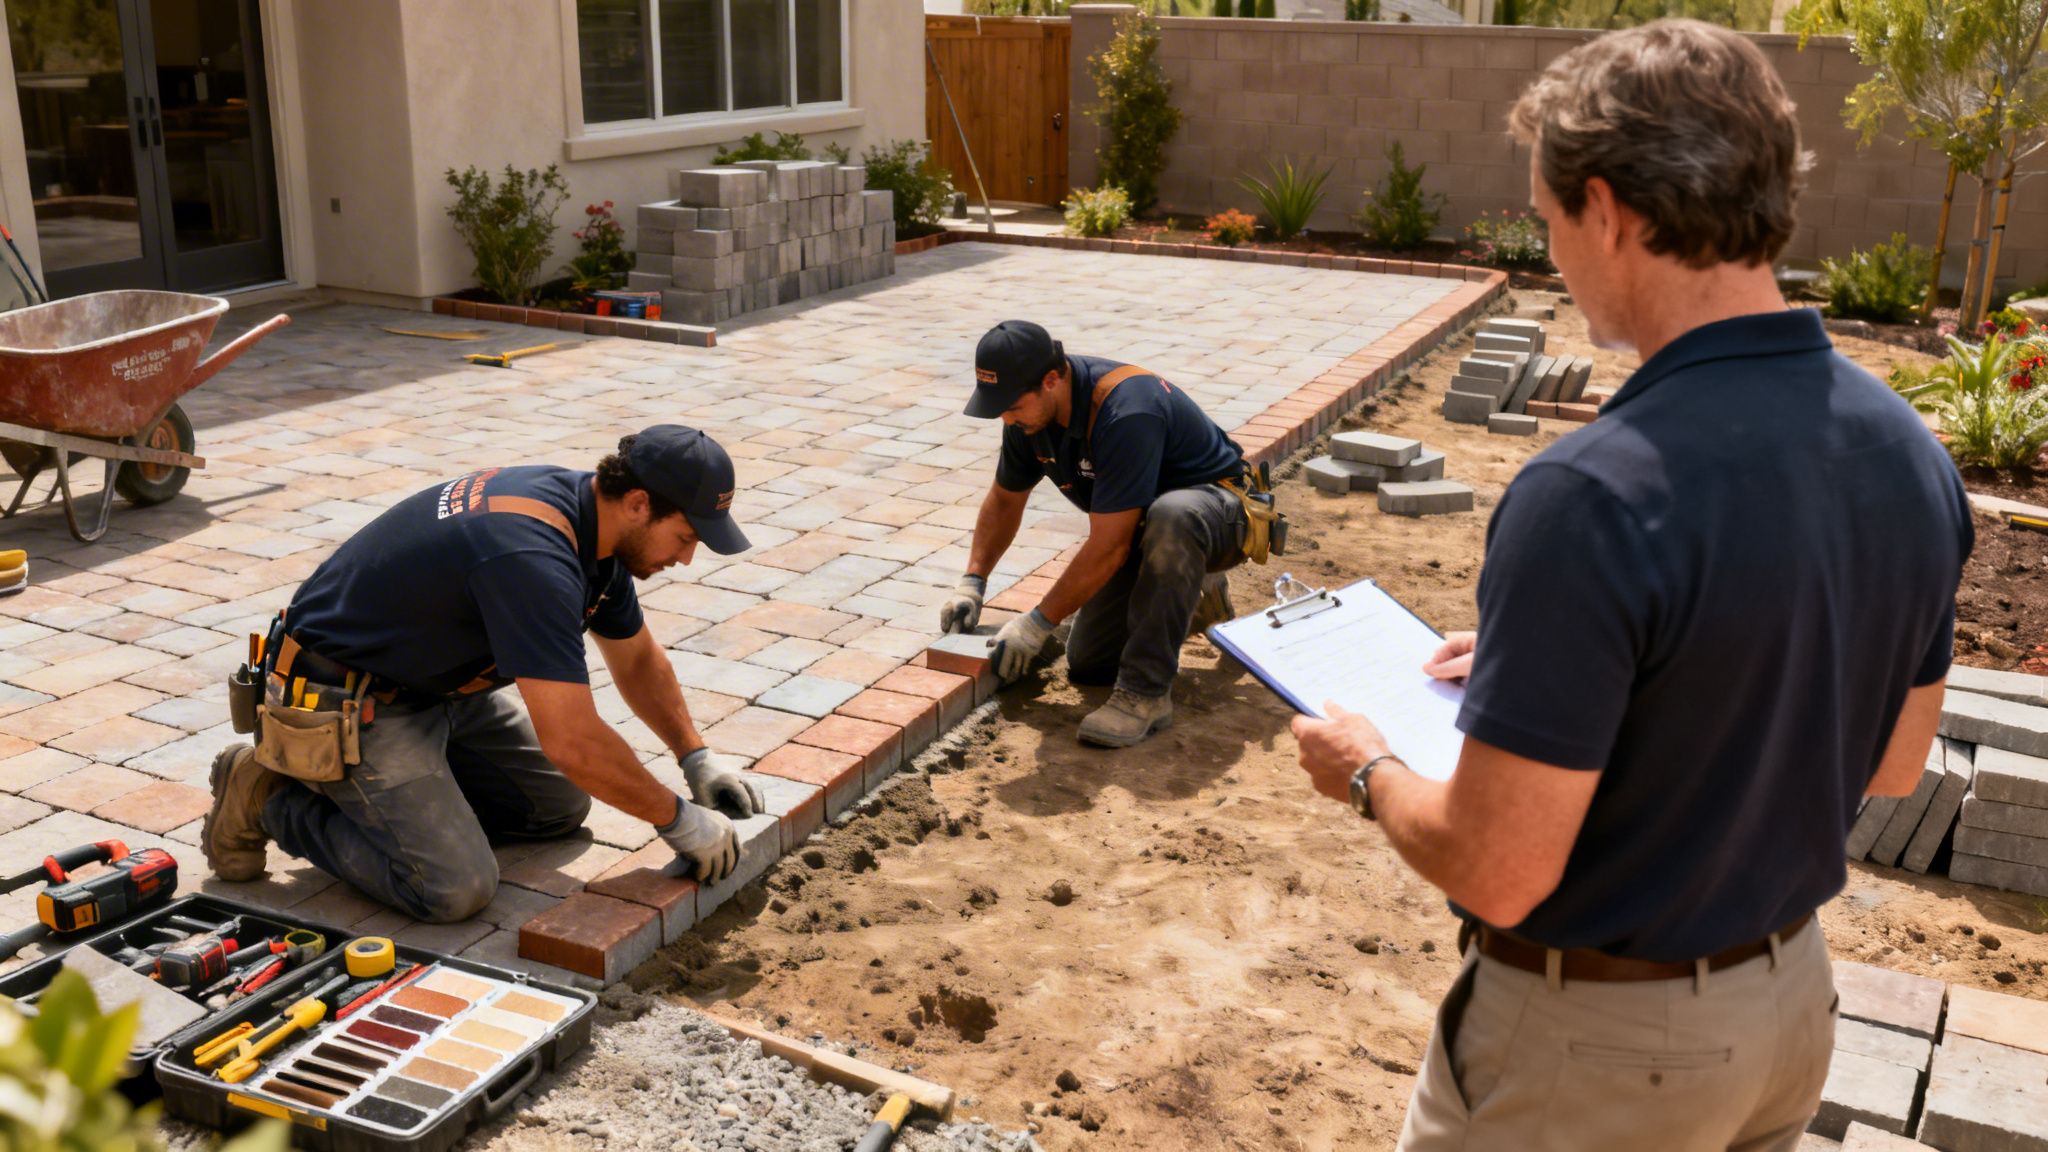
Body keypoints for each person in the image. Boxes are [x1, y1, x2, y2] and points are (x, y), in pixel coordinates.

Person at [1291, 21, 1971, 1151]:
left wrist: (1364, 767)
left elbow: (1497, 873)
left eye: (1549, 221)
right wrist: (1565, 670)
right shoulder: (1906, 451)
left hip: (1596, 1058)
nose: (1551, 252)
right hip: (1790, 1012)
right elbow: (1891, 764)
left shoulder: (1592, 493)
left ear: (1604, 210)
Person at [202, 426, 767, 923]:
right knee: (451, 888)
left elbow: (638, 659)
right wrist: (677, 819)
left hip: (434, 684)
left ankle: (410, 794)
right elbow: (572, 739)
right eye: (687, 537)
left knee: (556, 809)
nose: (688, 558)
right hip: (346, 698)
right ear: (640, 503)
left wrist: (694, 756)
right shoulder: (531, 557)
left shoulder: (596, 526)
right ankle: (269, 796)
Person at [941, 320, 1252, 747]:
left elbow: (1109, 547)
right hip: (1146, 531)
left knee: (1173, 515)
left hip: (1217, 516)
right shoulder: (1028, 421)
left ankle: (1145, 696)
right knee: (1089, 664)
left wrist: (1036, 624)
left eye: (1010, 405)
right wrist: (972, 581)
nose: (1005, 418)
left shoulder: (1126, 412)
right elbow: (1005, 500)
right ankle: (1193, 597)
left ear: (1051, 380)